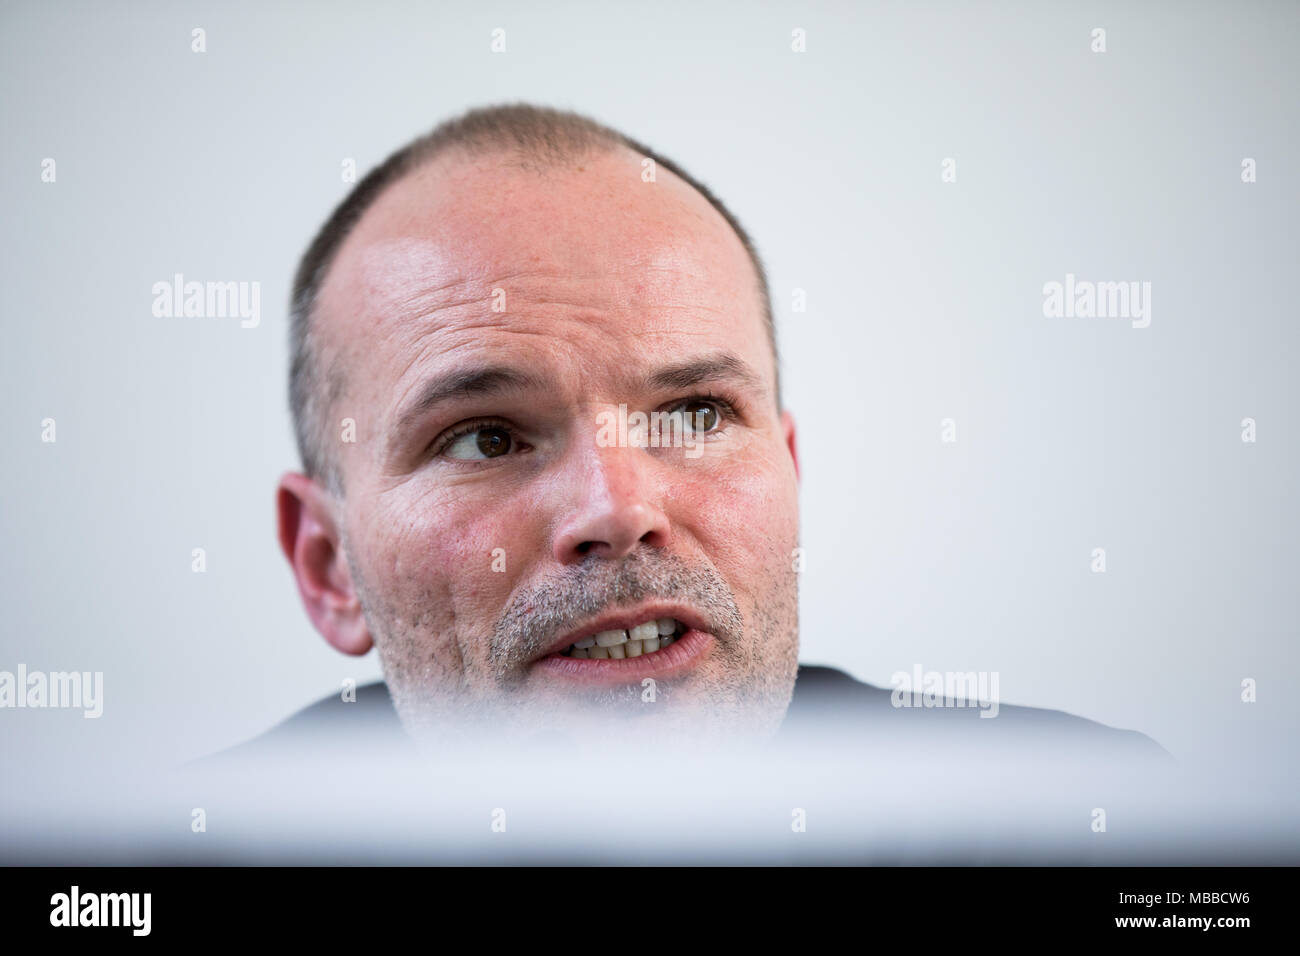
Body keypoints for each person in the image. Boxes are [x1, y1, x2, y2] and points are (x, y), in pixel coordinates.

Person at [252, 103, 1165, 763]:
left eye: (696, 415)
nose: (618, 509)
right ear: (329, 567)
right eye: (487, 438)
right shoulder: (171, 855)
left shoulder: (1099, 824)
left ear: (790, 474)